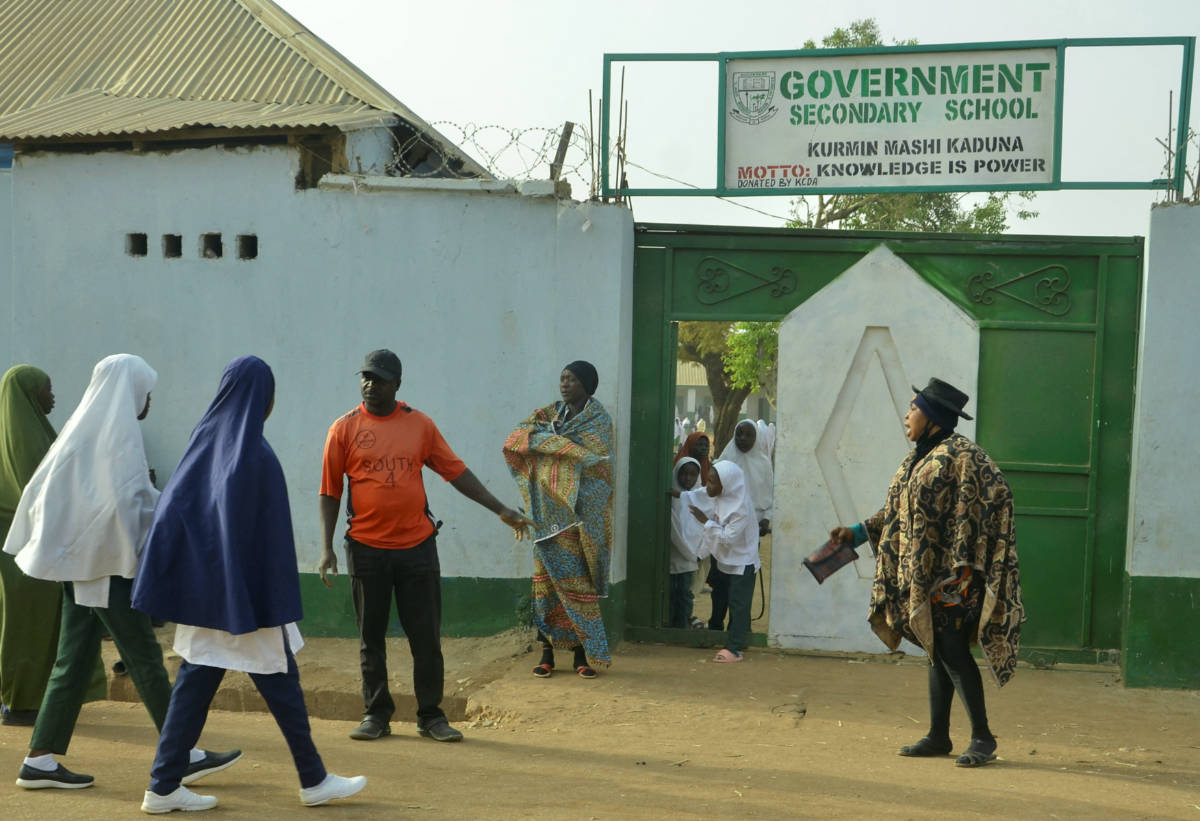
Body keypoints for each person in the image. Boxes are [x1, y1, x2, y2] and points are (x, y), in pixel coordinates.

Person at [133, 355, 365, 812]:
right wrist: (265, 595)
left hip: (207, 597)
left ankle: (162, 786)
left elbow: (175, 513)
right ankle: (313, 780)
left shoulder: (203, 442)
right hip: (247, 598)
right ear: (265, 399)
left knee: (197, 683)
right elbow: (267, 539)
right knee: (279, 680)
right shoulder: (255, 454)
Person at [5, 354, 238, 790]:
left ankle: (40, 759)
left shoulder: (81, 434)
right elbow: (126, 504)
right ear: (129, 392)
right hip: (104, 567)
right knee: (144, 656)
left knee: (71, 661)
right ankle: (181, 752)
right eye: (145, 392)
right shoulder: (117, 440)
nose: (148, 401)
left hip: (83, 566)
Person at [319, 349, 530, 742]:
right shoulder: (343, 429)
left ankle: (431, 716)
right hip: (365, 548)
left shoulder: (420, 426)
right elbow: (329, 491)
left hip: (417, 547)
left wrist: (500, 509)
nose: (370, 384)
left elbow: (456, 472)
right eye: (365, 377)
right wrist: (327, 547)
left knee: (426, 637)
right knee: (371, 637)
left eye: (379, 378)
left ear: (397, 384)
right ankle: (376, 714)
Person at [829, 378, 1023, 768]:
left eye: (913, 407)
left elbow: (998, 494)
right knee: (937, 648)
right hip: (922, 575)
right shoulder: (917, 458)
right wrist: (855, 532)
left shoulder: (963, 455)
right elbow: (896, 512)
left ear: (932, 416)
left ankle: (983, 737)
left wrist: (970, 550)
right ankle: (938, 735)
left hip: (954, 577)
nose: (906, 414)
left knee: (951, 648)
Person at [504, 361, 614, 679]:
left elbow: (599, 465)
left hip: (579, 519)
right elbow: (517, 438)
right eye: (562, 378)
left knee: (579, 585)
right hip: (546, 517)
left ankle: (582, 655)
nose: (565, 384)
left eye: (572, 379)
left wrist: (562, 451)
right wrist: (561, 447)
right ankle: (547, 654)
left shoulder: (598, 419)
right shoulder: (548, 415)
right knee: (545, 587)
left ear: (587, 384)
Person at [0, 365, 63, 726]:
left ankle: (15, 700)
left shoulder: (29, 432)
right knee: (29, 627)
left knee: (14, 627)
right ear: (28, 395)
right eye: (46, 389)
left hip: (14, 553)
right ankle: (22, 705)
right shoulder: (32, 442)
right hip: (28, 552)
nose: (52, 396)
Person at [688, 461, 759, 662]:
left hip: (742, 561)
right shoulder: (722, 497)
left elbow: (727, 537)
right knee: (720, 598)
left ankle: (735, 648)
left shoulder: (740, 507)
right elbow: (705, 502)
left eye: (712, 482)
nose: (707, 485)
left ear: (727, 485)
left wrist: (705, 521)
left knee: (739, 603)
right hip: (724, 559)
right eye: (708, 480)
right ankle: (729, 636)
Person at [710, 420, 774, 632]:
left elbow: (770, 495)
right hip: (724, 527)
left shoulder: (764, 463)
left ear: (756, 438)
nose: (743, 439)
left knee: (743, 580)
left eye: (748, 435)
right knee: (720, 581)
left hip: (749, 531)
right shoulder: (724, 462)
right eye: (739, 434)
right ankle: (716, 624)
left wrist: (766, 518)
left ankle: (739, 627)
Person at [667, 458, 703, 629]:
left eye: (693, 475)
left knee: (685, 595)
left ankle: (682, 626)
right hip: (678, 556)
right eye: (684, 474)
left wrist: (699, 553)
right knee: (672, 594)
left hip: (692, 559)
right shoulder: (673, 499)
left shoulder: (700, 499)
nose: (688, 478)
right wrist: (691, 554)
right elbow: (675, 532)